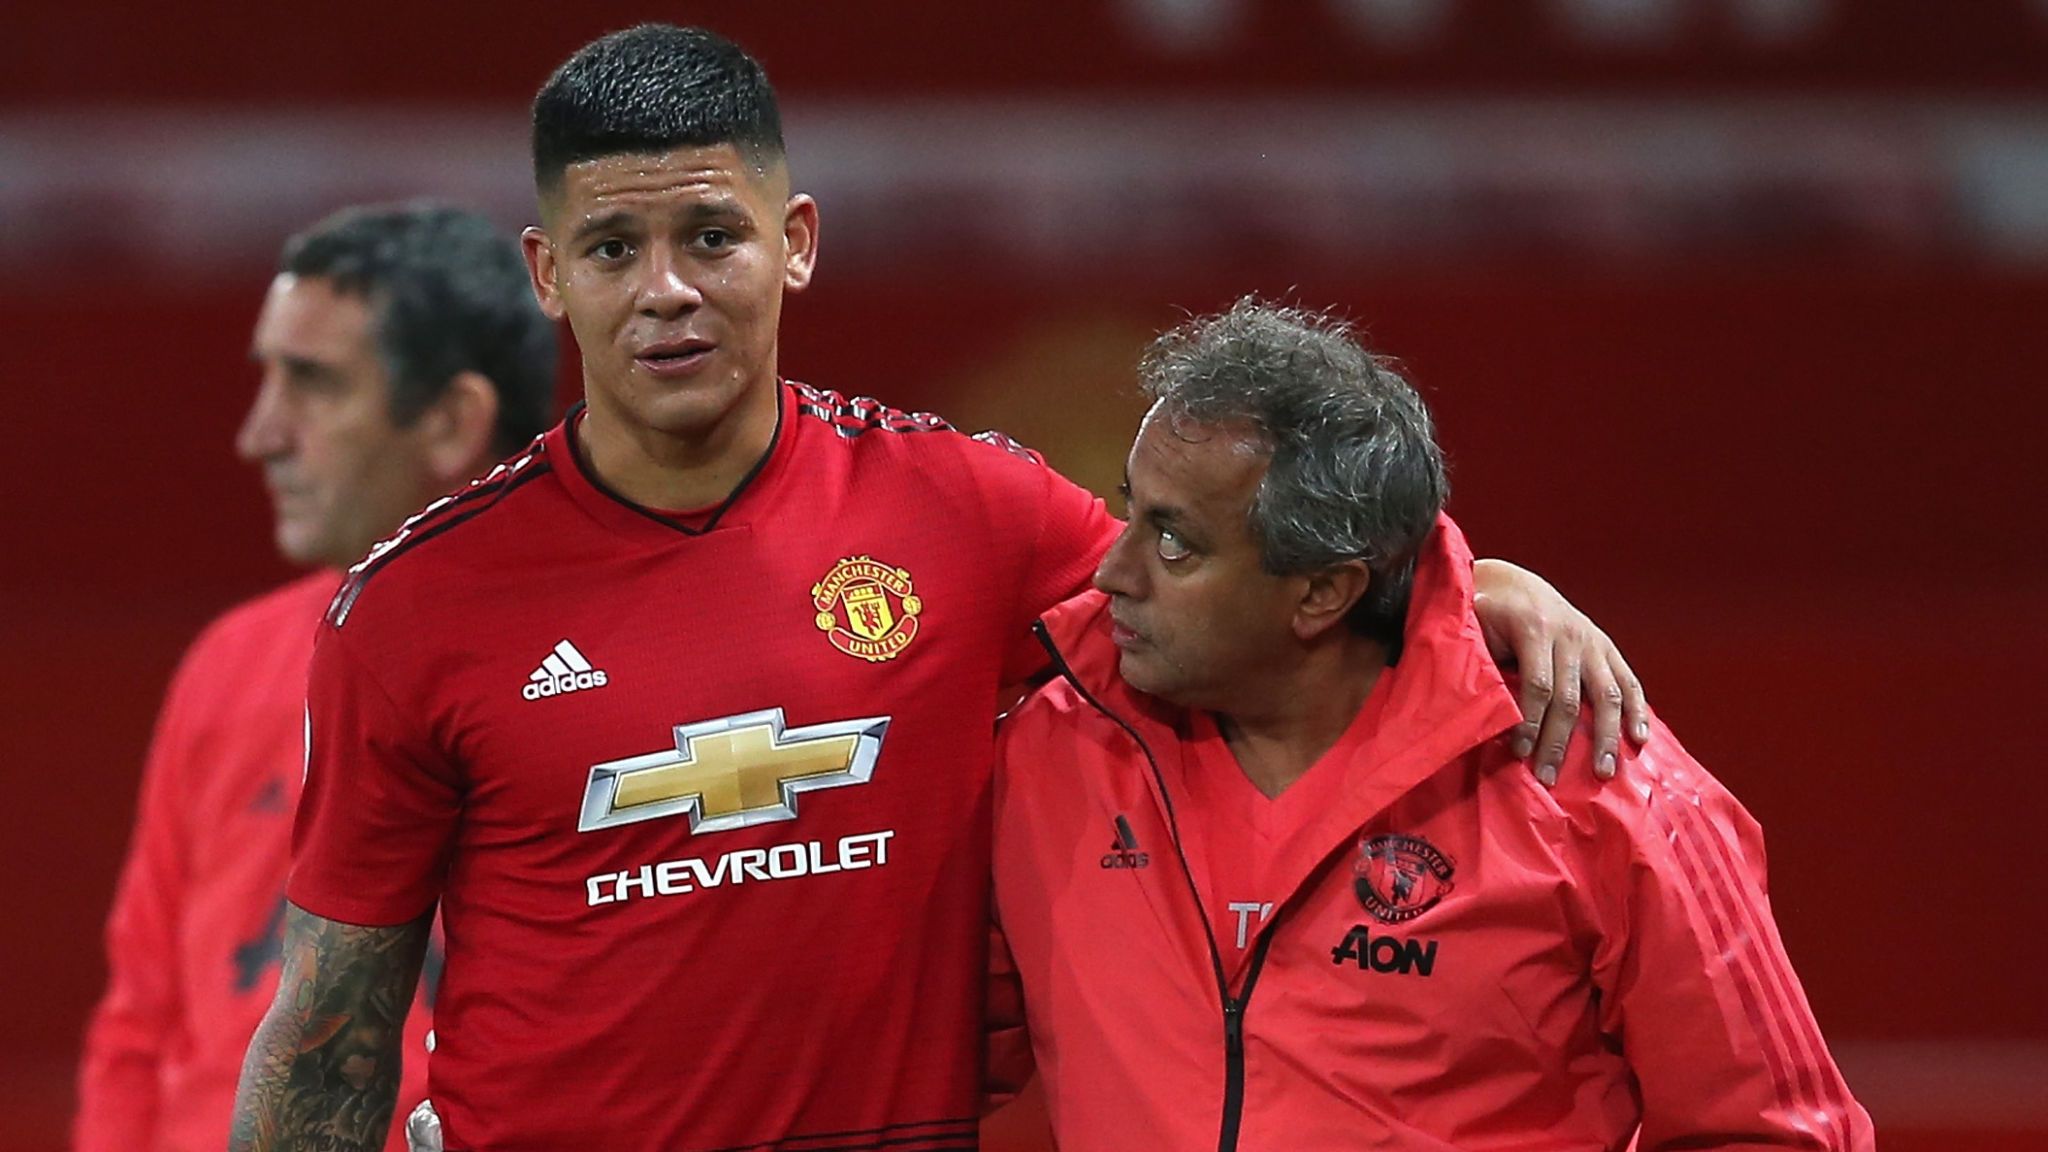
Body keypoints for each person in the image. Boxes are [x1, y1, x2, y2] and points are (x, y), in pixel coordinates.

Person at [233, 27, 1649, 1152]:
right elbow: (329, 1035)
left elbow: (1231, 580)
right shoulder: (415, 607)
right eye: (614, 250)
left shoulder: (966, 511)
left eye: (712, 236)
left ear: (795, 240)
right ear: (548, 276)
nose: (666, 290)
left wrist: (1466, 576)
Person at [991, 298, 1874, 1150]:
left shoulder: (1595, 781)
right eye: (1131, 512)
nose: (1111, 572)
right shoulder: (1050, 750)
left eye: (1174, 541)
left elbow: (1774, 1134)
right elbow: (936, 1052)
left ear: (1323, 591)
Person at [73, 204, 558, 1152]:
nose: (261, 435)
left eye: (314, 383)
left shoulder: (613, 667)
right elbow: (139, 1025)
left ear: (452, 420)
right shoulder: (231, 661)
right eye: (269, 378)